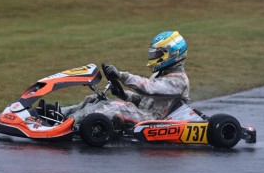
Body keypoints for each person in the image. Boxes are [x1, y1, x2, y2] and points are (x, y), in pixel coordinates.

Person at [62, 31, 201, 127]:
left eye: (158, 54)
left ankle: (69, 124)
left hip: (154, 121)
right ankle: (61, 114)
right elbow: (144, 101)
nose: (154, 57)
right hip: (144, 113)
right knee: (95, 99)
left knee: (115, 107)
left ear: (173, 54)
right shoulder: (161, 74)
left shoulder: (179, 81)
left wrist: (122, 76)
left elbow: (148, 88)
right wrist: (123, 95)